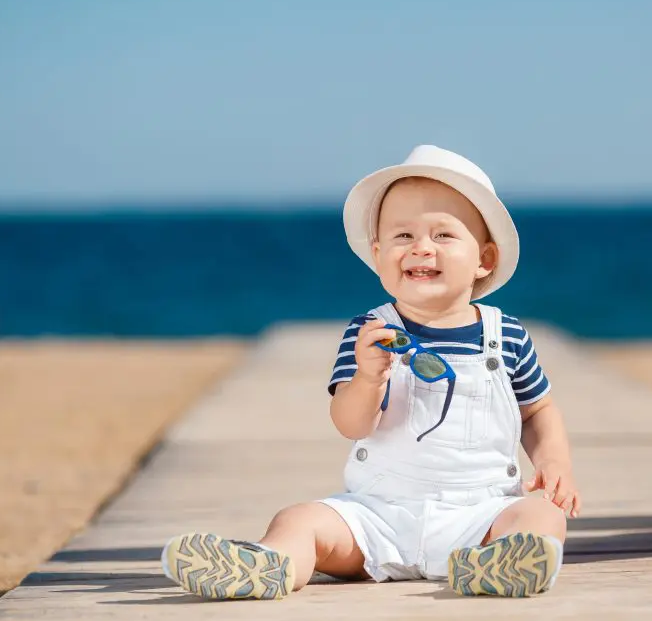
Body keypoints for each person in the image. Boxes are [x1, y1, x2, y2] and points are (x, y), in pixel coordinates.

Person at [161, 145, 579, 600]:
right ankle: (269, 563)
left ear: (485, 258)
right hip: (377, 516)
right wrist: (366, 378)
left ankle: (499, 563)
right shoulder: (370, 332)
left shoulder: (507, 335)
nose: (421, 247)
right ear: (378, 253)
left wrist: (553, 461)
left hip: (479, 514)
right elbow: (350, 424)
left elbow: (537, 410)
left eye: (442, 235)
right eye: (403, 236)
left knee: (542, 518)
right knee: (299, 519)